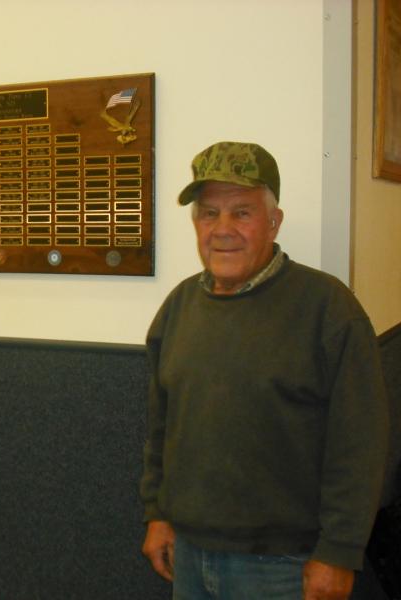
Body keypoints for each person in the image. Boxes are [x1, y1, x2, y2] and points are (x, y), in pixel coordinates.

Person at [140, 141, 389, 600]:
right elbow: (161, 428)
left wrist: (339, 553)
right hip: (189, 555)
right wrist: (158, 512)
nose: (222, 229)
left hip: (286, 567)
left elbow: (360, 444)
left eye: (242, 213)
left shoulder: (328, 310)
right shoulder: (178, 308)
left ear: (274, 222)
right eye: (209, 213)